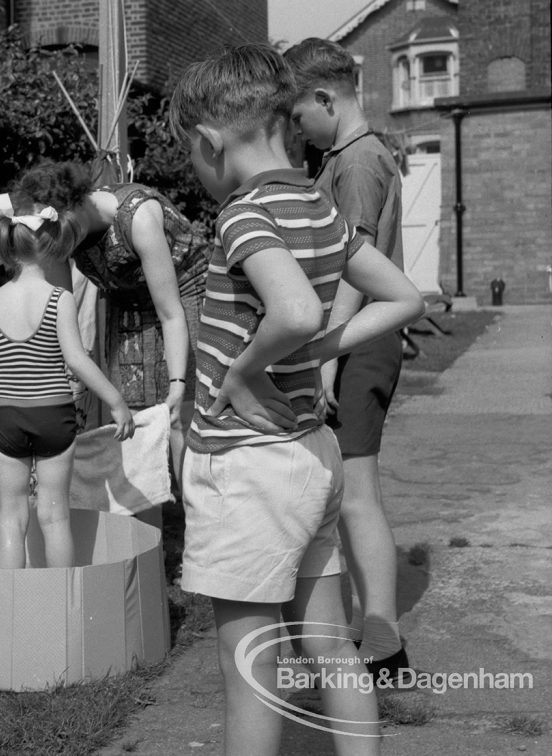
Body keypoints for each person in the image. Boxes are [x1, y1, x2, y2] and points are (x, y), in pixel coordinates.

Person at [168, 44, 423, 756]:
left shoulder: (243, 214)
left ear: (210, 142)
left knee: (249, 661)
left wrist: (245, 373)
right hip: (313, 455)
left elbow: (295, 313)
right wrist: (316, 352)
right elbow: (404, 297)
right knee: (328, 644)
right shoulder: (316, 201)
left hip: (249, 467)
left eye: (192, 156)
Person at [285, 37, 411, 678]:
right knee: (345, 490)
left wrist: (329, 355)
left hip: (356, 339)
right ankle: (365, 625)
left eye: (299, 114)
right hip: (351, 338)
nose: (297, 130)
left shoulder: (359, 161)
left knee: (357, 493)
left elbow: (355, 271)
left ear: (325, 98)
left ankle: (386, 644)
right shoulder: (347, 154)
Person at [0, 190, 135, 569]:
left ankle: (9, 607)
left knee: (11, 516)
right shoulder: (58, 298)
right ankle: (60, 606)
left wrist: (2, 364)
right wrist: (116, 402)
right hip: (53, 414)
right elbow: (76, 359)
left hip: (6, 414)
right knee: (55, 516)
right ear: (49, 246)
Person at [14, 161, 209, 477]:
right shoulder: (57, 234)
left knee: (181, 411)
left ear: (76, 205)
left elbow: (171, 313)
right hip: (128, 299)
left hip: (185, 289)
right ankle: (146, 520)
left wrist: (177, 383)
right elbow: (63, 316)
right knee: (133, 415)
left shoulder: (138, 216)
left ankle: (194, 511)